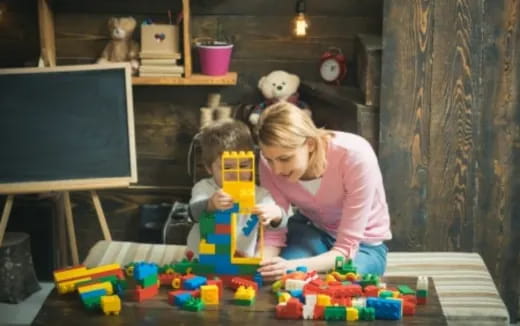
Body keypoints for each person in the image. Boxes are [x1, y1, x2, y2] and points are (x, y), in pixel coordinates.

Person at [255, 102, 391, 281]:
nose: (277, 170)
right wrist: (260, 266)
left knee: (342, 286)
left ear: (310, 144)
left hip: (363, 245)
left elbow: (344, 251)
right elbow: (274, 233)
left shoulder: (355, 156)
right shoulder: (269, 164)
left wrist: (290, 266)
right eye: (269, 159)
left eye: (285, 158)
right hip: (313, 232)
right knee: (285, 281)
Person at [186, 119, 287, 258]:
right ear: (209, 168)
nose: (235, 173)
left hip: (241, 259)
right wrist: (211, 204)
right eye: (227, 167)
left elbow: (282, 221)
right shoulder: (205, 188)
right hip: (201, 258)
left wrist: (276, 214)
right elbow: (193, 214)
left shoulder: (259, 194)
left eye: (244, 166)